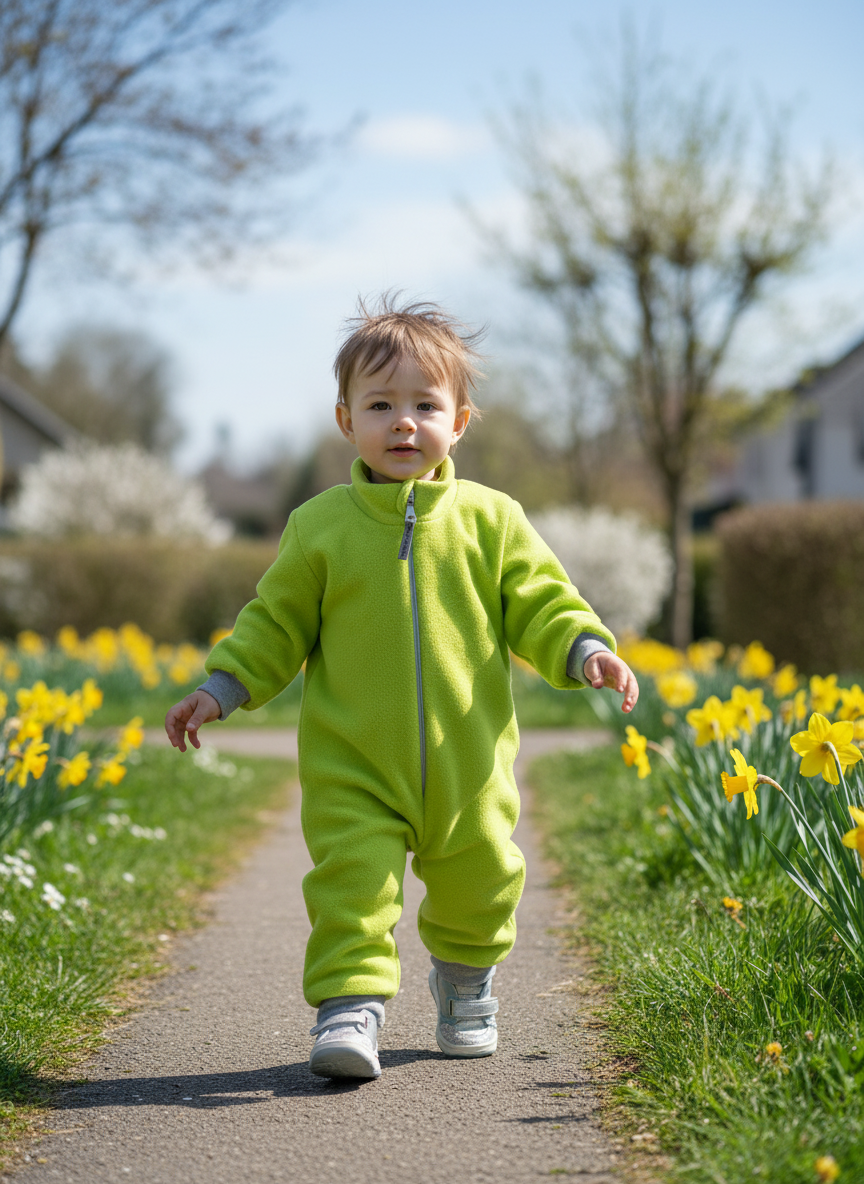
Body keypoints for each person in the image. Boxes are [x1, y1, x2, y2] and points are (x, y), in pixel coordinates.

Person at [165, 296, 639, 1081]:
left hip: (467, 764)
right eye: (381, 405)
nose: (404, 423)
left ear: (460, 421)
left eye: (426, 405)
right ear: (346, 420)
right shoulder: (320, 526)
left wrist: (584, 645)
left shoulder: (493, 521)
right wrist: (223, 686)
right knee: (353, 886)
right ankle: (349, 1008)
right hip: (354, 763)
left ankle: (465, 985)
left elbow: (541, 601)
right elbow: (275, 622)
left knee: (482, 880)